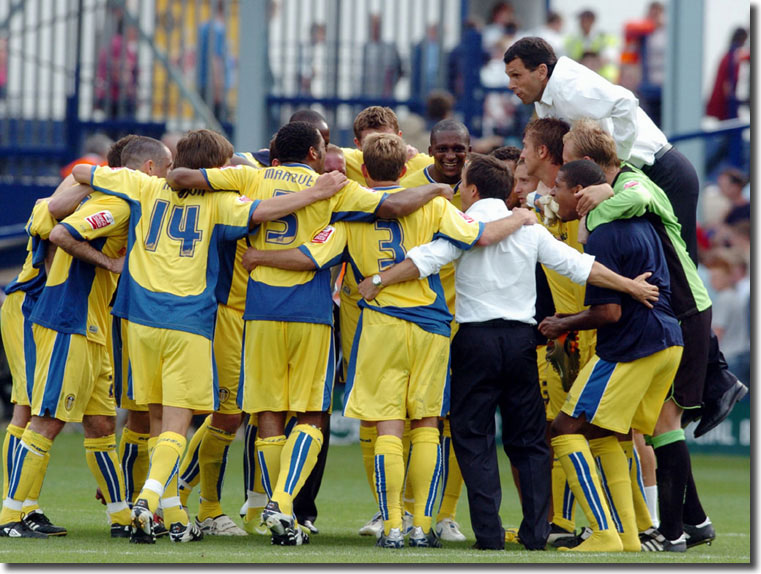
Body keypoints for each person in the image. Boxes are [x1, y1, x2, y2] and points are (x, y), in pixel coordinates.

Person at [165, 121, 456, 547]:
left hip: (258, 312)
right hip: (311, 315)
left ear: (275, 152)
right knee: (312, 415)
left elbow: (181, 176)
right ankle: (282, 503)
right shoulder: (334, 189)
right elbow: (392, 207)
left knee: (266, 416)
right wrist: (434, 190)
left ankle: (265, 504)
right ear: (316, 154)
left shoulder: (252, 175)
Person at [356, 154, 660, 551]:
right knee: (530, 442)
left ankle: (488, 534)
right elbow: (581, 267)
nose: (459, 191)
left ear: (474, 189)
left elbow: (424, 261)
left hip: (474, 340)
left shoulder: (462, 224)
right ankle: (535, 534)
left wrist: (378, 280)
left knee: (472, 438)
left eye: (463, 185)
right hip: (520, 341)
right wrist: (630, 286)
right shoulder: (529, 229)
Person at [72, 130, 347, 544]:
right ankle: (151, 499)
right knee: (181, 422)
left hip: (140, 320)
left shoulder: (143, 185)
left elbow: (80, 171)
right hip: (192, 321)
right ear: (216, 169)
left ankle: (173, 511)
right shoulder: (222, 203)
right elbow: (265, 211)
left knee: (157, 417)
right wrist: (317, 191)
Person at [503, 37, 745, 430]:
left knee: (680, 283)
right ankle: (710, 381)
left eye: (516, 75)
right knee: (673, 282)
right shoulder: (548, 97)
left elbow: (626, 104)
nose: (512, 84)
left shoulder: (570, 85)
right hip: (643, 176)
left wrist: (614, 173)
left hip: (660, 173)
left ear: (541, 71)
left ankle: (713, 383)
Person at [563, 120, 724, 550]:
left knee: (663, 423)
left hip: (685, 307)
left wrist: (596, 208)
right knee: (653, 426)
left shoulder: (636, 182)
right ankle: (685, 524)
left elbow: (637, 196)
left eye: (567, 161)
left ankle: (671, 532)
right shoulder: (624, 190)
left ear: (586, 163)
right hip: (676, 307)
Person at [538, 159, 683, 553]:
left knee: (565, 431)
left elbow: (609, 312)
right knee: (609, 434)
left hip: (629, 347)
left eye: (559, 187)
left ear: (581, 193)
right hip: (668, 342)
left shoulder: (603, 234)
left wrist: (562, 323)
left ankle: (604, 533)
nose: (553, 194)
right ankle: (632, 536)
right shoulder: (642, 222)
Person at [197, 0, 232, 122]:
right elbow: (215, 59)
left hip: (204, 83)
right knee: (219, 126)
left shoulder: (204, 27)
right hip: (213, 87)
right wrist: (218, 88)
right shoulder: (217, 29)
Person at [564, 9, 618, 83]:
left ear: (592, 21)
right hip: (580, 78)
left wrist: (591, 65)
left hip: (603, 78)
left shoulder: (603, 38)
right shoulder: (573, 40)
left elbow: (608, 57)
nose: (582, 24)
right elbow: (569, 60)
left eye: (584, 21)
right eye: (581, 21)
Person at [360, 14, 403, 99]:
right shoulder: (365, 48)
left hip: (385, 96)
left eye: (377, 24)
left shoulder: (389, 48)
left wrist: (389, 86)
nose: (375, 28)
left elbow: (399, 71)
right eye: (373, 25)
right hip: (367, 95)